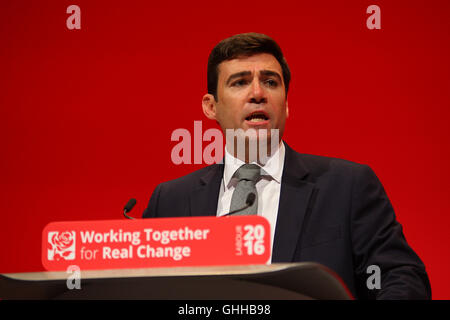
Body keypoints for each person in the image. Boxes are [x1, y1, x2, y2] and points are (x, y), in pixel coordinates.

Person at [142, 32, 431, 299]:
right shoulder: (169, 202)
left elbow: (402, 277)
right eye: (240, 82)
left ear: (286, 103)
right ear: (210, 106)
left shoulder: (348, 187)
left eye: (270, 82)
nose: (258, 93)